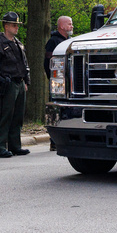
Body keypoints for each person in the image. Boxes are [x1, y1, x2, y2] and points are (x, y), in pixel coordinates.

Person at [0, 12, 31, 158]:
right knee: (5, 116)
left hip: (19, 83)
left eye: (17, 25)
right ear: (6, 26)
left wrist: (26, 80)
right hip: (7, 83)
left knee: (18, 116)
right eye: (14, 25)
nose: (16, 28)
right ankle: (0, 147)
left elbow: (24, 64)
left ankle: (15, 145)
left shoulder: (17, 43)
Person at [43, 16, 73, 151]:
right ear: (61, 26)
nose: (72, 26)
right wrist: (54, 80)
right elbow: (47, 64)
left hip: (70, 83)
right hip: (59, 84)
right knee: (55, 112)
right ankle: (54, 141)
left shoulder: (70, 42)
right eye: (69, 24)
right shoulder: (53, 41)